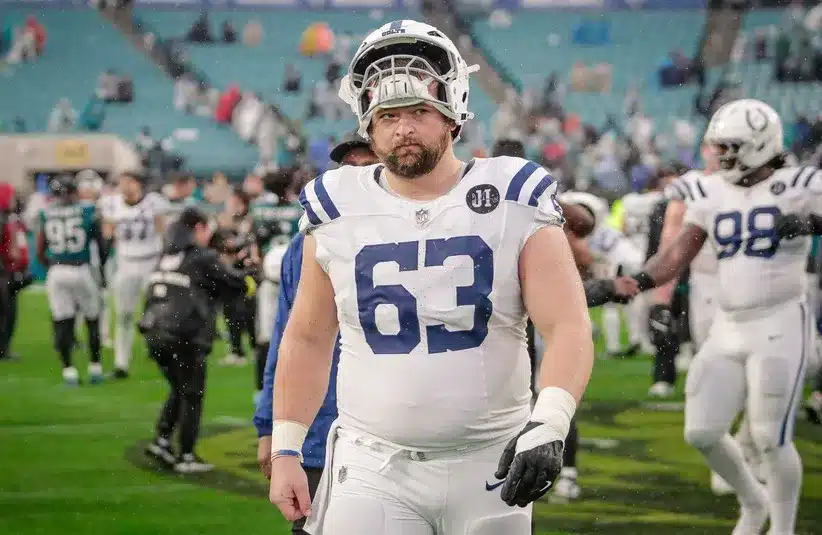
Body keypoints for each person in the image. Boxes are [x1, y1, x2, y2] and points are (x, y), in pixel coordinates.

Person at [268, 20, 594, 534]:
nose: (404, 129)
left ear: (453, 117)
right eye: (389, 115)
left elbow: (568, 325)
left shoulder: (512, 192)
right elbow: (308, 335)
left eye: (420, 111)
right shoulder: (335, 203)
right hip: (372, 463)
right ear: (367, 124)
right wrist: (287, 444)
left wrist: (550, 421)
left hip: (490, 461)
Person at [630, 99, 818, 535]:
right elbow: (679, 250)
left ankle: (783, 528)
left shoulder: (801, 183)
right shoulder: (710, 191)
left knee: (772, 436)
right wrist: (633, 284)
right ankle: (754, 502)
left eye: (730, 147)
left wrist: (810, 222)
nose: (720, 156)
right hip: (729, 322)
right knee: (702, 431)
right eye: (718, 147)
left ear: (758, 145)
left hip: (780, 318)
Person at [254, 136, 378, 535]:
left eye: (368, 166)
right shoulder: (308, 244)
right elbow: (288, 341)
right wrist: (269, 428)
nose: (357, 177)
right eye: (349, 168)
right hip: (320, 429)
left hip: (395, 429)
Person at [140, 207, 252, 473]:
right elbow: (232, 284)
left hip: (154, 332)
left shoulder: (168, 254)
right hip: (183, 335)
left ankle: (162, 439)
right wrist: (251, 274)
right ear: (199, 228)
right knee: (192, 393)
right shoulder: (201, 257)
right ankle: (186, 455)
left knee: (180, 389)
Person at [36, 175, 107, 384]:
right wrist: (101, 268)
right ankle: (95, 367)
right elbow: (101, 244)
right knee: (92, 319)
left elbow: (40, 249)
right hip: (81, 269)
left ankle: (69, 371)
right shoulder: (88, 210)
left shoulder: (46, 213)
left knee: (62, 322)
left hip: (57, 270)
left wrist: (52, 266)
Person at [103, 171, 169, 379]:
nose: (124, 186)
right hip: (126, 263)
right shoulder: (111, 203)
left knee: (158, 314)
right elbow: (107, 233)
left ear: (138, 184)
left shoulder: (154, 203)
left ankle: (159, 353)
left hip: (151, 262)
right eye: (122, 182)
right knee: (123, 315)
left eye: (128, 182)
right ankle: (121, 363)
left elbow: (162, 232)